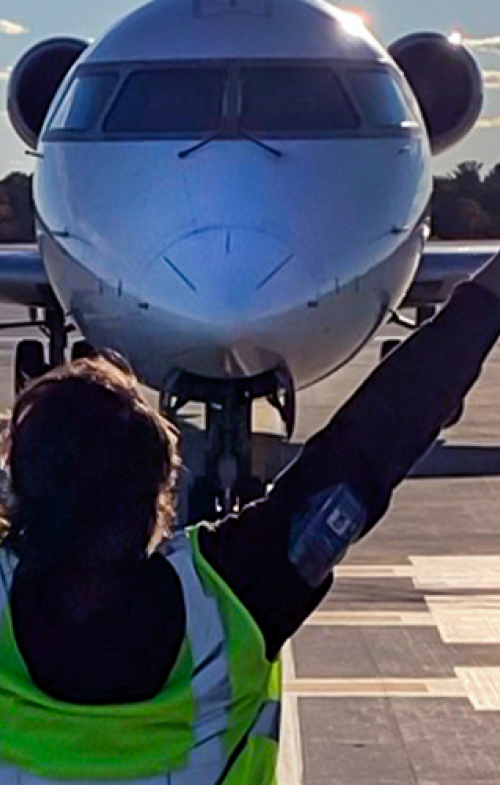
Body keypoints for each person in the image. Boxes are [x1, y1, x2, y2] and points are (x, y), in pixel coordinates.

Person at [1, 251, 500, 785]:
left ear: (18, 489)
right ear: (158, 494)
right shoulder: (237, 596)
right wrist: (487, 300)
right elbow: (378, 438)